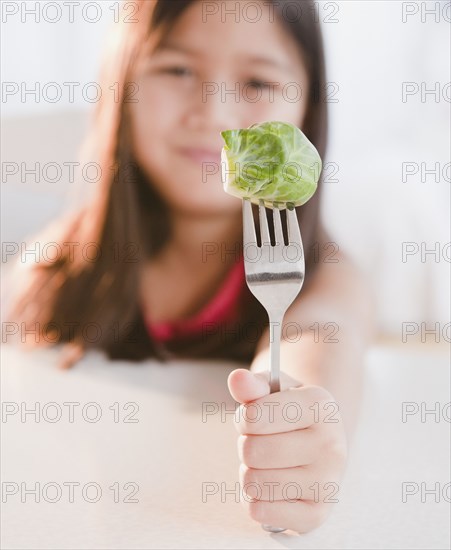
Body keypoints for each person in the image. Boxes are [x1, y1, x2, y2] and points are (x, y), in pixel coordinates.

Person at [5, 0, 374, 533]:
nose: (214, 115)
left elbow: (323, 335)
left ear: (309, 106)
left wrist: (307, 425)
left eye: (258, 83)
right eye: (177, 70)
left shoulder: (325, 272)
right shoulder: (52, 263)